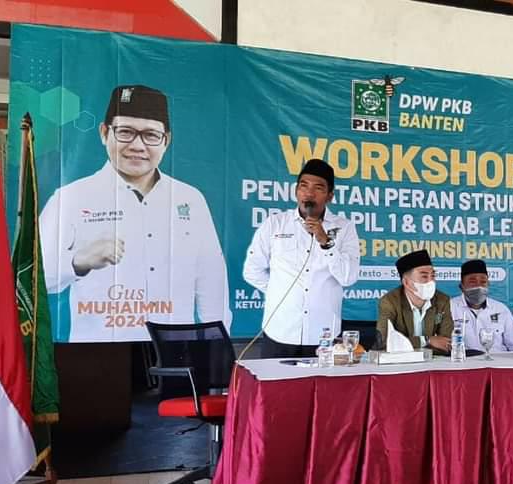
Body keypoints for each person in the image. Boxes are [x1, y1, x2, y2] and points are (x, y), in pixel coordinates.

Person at [40, 85, 231, 342]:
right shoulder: (71, 198)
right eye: (126, 132)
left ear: (166, 140)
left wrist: (216, 347)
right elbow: (35, 279)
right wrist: (79, 261)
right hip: (100, 348)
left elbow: (211, 280)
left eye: (151, 135)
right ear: (104, 133)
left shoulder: (190, 199)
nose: (138, 145)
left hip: (174, 348)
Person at [243, 158, 360, 358]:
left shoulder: (344, 228)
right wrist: (280, 291)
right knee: (275, 380)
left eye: (318, 188)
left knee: (320, 381)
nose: (309, 193)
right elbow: (252, 271)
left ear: (330, 196)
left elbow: (348, 278)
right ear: (296, 191)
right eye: (304, 186)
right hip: (280, 329)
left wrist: (326, 242)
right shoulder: (275, 224)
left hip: (323, 334)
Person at [376, 249, 453, 354]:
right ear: (406, 282)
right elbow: (384, 341)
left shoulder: (442, 300)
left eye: (433, 276)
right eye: (424, 276)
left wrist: (408, 344)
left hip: (433, 360)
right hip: (400, 360)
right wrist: (427, 340)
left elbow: (446, 342)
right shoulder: (389, 302)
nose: (431, 281)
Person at [451, 260, 513, 352]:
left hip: (498, 359)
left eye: (483, 282)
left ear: (488, 284)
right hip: (465, 360)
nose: (479, 286)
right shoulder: (450, 307)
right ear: (461, 286)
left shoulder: (500, 309)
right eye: (472, 282)